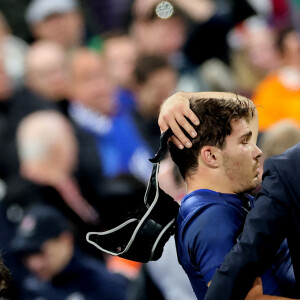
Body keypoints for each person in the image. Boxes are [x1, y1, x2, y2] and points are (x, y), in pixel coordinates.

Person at [158, 91, 296, 299]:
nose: (258, 151)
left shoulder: (223, 199)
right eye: (245, 142)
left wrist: (179, 98)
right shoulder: (210, 216)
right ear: (211, 156)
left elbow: (249, 109)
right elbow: (249, 298)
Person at [11, 204, 129, 300]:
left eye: (40, 252)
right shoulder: (30, 287)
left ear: (65, 240)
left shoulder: (105, 285)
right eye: (26, 255)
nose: (34, 263)